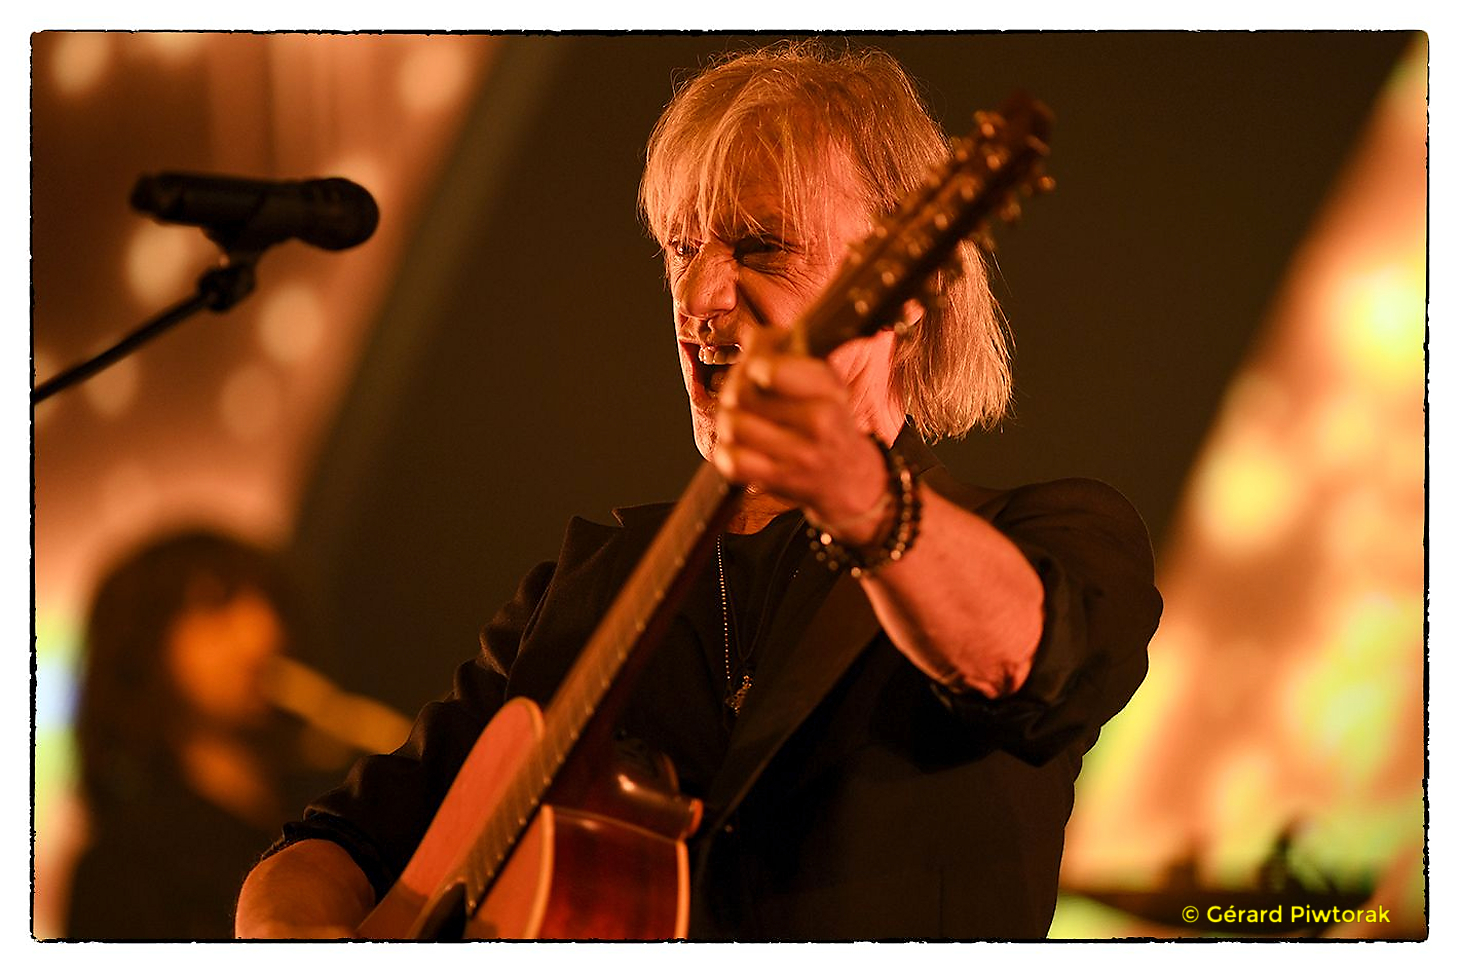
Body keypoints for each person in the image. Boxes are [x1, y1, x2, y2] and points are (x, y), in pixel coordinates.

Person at [236, 42, 1161, 941]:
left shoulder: (1051, 533)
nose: (699, 295)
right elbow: (340, 842)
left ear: (910, 293)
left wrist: (858, 493)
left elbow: (1024, 664)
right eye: (681, 246)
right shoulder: (587, 585)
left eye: (762, 246)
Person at [65, 530, 320, 940]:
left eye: (270, 603)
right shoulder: (124, 869)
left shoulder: (323, 811)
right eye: (216, 604)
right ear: (143, 648)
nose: (265, 633)